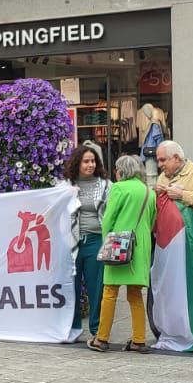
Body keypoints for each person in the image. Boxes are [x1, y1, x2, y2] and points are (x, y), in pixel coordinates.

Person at [89, 155, 157, 354]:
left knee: (110, 292)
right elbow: (152, 220)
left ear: (121, 171)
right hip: (140, 247)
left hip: (119, 243)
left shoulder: (119, 188)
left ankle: (101, 338)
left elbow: (109, 218)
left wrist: (106, 242)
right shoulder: (148, 191)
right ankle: (138, 340)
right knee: (135, 294)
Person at [65, 142, 110, 343]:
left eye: (93, 161)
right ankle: (73, 328)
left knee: (96, 287)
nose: (90, 165)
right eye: (86, 161)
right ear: (77, 163)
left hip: (95, 241)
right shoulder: (65, 186)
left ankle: (97, 328)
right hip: (72, 243)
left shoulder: (106, 185)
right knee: (71, 287)